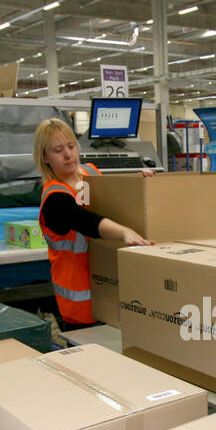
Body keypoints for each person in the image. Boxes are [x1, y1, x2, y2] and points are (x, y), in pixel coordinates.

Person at [34, 118, 152, 329]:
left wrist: (139, 181)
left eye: (71, 146)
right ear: (45, 157)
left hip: (111, 292)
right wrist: (124, 232)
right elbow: (85, 220)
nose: (68, 155)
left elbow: (115, 198)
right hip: (82, 306)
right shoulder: (55, 198)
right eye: (58, 150)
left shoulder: (91, 175)